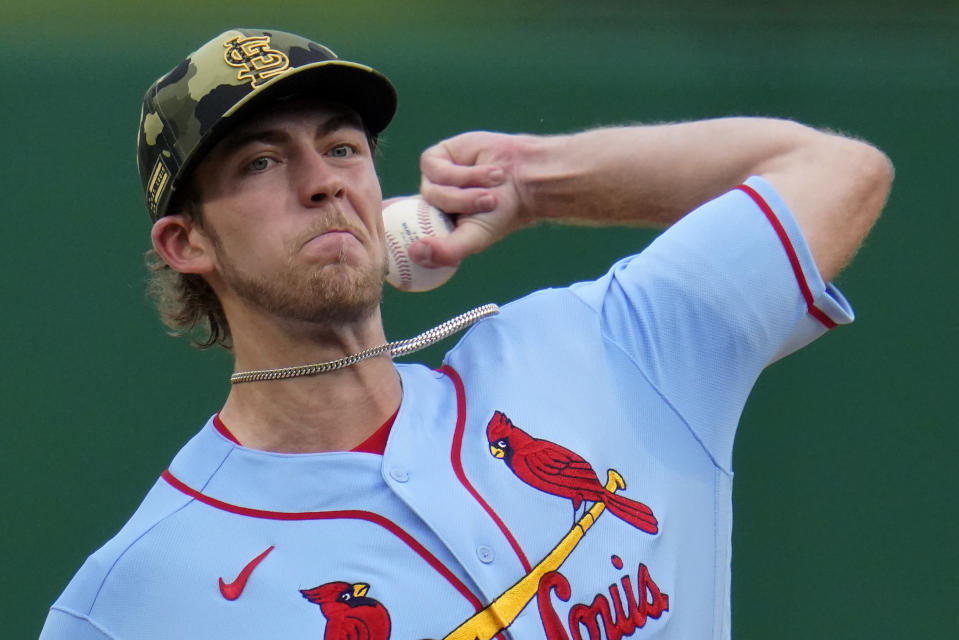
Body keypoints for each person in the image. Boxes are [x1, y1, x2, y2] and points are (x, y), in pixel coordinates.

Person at [40, 28, 892, 640]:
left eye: (341, 148)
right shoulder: (136, 597)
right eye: (260, 162)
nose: (320, 183)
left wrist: (533, 182)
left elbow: (835, 171)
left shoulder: (601, 352)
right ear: (185, 243)